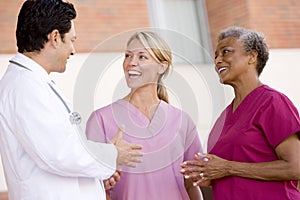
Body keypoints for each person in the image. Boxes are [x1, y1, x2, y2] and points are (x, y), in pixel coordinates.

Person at [0, 0, 143, 199]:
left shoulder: (33, 82)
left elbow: (61, 151)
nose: (73, 50)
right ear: (55, 38)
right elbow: (59, 154)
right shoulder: (24, 87)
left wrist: (97, 172)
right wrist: (112, 154)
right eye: (72, 40)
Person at [180, 26, 300, 199]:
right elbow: (227, 171)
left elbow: (295, 167)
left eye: (226, 52)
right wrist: (207, 175)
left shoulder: (272, 102)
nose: (217, 61)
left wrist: (228, 167)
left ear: (252, 56)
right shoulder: (224, 116)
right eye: (216, 56)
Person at [86, 31, 204, 200]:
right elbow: (93, 186)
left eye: (142, 57)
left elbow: (191, 183)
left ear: (162, 66)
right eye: (128, 55)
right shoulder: (101, 120)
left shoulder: (182, 121)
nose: (131, 63)